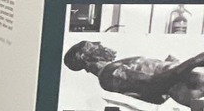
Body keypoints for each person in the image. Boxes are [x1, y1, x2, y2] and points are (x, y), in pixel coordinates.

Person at [63, 41, 204, 107]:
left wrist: (173, 65)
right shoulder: (109, 73)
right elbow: (152, 82)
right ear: (85, 57)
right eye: (93, 46)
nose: (99, 44)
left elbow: (155, 96)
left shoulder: (110, 73)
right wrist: (192, 62)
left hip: (186, 83)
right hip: (187, 82)